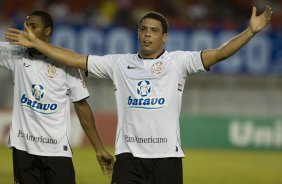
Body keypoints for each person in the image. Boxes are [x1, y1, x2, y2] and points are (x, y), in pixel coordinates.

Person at [5, 5, 273, 184]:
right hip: (128, 159)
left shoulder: (179, 62)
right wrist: (37, 43)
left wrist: (249, 32)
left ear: (164, 37)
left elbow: (219, 53)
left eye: (154, 31)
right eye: (143, 29)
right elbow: (75, 59)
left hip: (167, 158)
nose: (147, 35)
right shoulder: (119, 64)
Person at [1, 10, 114, 184]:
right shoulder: (17, 55)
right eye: (26, 26)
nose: (28, 31)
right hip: (23, 149)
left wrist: (99, 148)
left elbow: (81, 105)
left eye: (34, 26)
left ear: (47, 32)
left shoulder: (66, 63)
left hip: (56, 150)